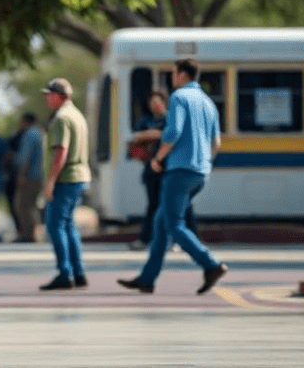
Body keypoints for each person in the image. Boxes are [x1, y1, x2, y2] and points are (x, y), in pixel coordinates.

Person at [118, 58, 228, 295]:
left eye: (173, 73)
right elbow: (216, 142)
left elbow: (173, 132)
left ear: (180, 75)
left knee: (174, 224)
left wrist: (158, 158)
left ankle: (210, 264)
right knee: (162, 222)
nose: (172, 77)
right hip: (200, 172)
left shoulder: (179, 97)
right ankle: (147, 279)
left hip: (179, 170)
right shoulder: (208, 103)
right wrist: (204, 161)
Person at [38, 79, 92, 290]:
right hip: (79, 176)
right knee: (68, 225)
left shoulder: (61, 118)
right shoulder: (77, 115)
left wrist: (50, 181)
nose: (47, 98)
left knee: (54, 225)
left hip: (66, 178)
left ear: (60, 96)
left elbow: (61, 151)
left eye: (50, 94)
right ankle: (78, 272)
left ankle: (65, 273)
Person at [129, 91, 198, 250]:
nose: (155, 105)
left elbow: (175, 136)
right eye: (152, 102)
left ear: (164, 103)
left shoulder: (172, 118)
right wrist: (150, 135)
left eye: (158, 102)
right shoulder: (146, 121)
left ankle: (182, 240)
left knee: (181, 206)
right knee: (153, 205)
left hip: (171, 168)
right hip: (152, 170)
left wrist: (153, 134)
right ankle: (144, 239)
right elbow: (137, 139)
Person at [12, 112, 44, 242]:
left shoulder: (30, 134)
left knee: (22, 205)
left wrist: (21, 175)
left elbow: (26, 157)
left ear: (26, 121)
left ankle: (27, 234)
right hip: (38, 175)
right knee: (29, 205)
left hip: (30, 176)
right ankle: (30, 233)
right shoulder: (39, 133)